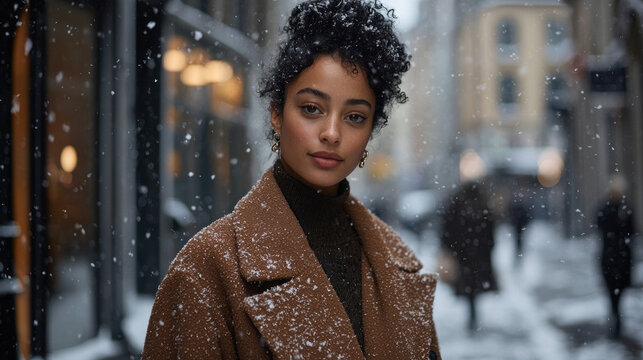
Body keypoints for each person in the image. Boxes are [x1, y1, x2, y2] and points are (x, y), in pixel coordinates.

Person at [142, 1, 441, 359]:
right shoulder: (207, 269)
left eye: (355, 117)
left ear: (370, 133)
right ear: (277, 115)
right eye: (312, 108)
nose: (331, 133)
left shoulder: (396, 263)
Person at [441, 181, 497, 333]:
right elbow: (490, 231)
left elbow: (447, 230)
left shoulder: (456, 205)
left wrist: (449, 247)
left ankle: (471, 312)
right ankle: (473, 312)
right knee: (473, 285)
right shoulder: (481, 205)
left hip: (463, 254)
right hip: (477, 254)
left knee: (468, 285)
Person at [595, 175, 636, 338]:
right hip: (615, 257)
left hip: (617, 258)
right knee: (614, 292)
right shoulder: (615, 209)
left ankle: (615, 317)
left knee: (615, 292)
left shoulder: (620, 209)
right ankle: (616, 318)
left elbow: (631, 231)